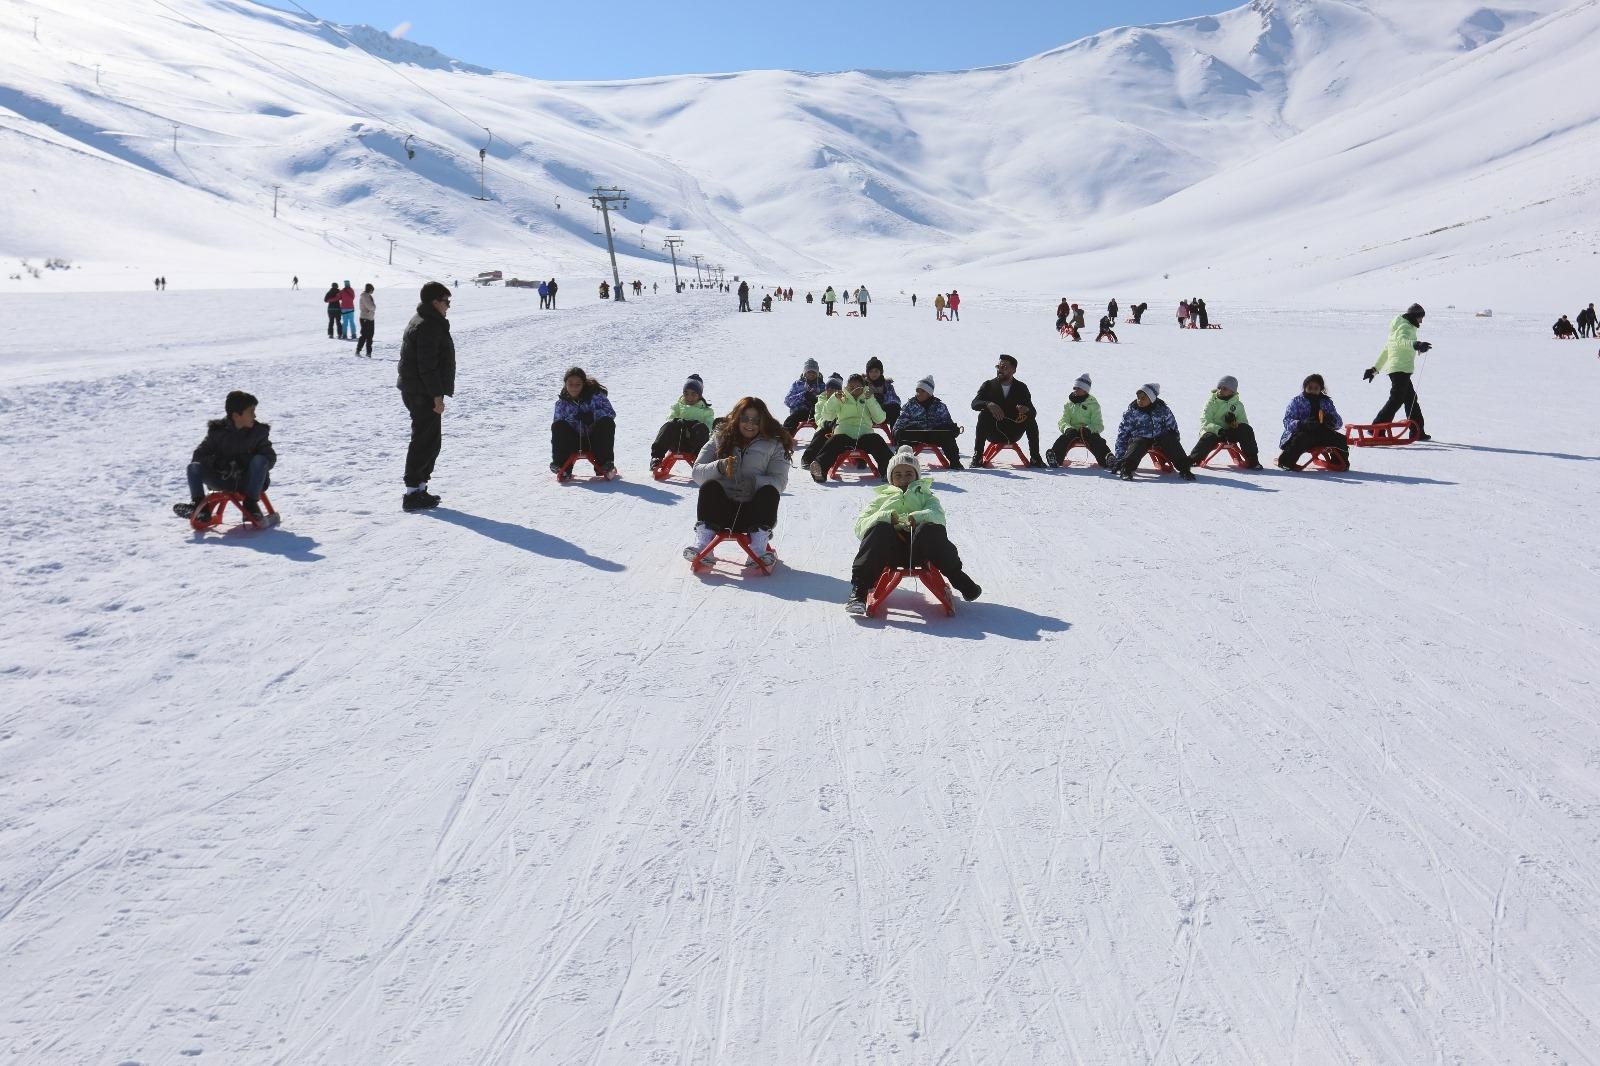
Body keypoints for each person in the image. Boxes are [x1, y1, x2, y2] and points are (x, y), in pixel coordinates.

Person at [844, 446, 981, 614]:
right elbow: (860, 526)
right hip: (890, 551)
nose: (903, 479)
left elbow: (939, 517)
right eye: (898, 474)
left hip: (922, 551)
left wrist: (918, 517)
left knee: (929, 529)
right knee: (879, 528)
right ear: (891, 478)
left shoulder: (926, 496)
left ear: (916, 476)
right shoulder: (880, 500)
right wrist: (886, 516)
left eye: (909, 474)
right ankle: (860, 590)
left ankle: (957, 578)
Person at [687, 397, 791, 568]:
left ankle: (758, 546)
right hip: (720, 511)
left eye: (756, 420)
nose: (750, 424)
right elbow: (697, 473)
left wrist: (754, 482)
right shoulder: (719, 437)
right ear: (737, 418)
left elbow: (780, 481)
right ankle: (704, 542)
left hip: (753, 514)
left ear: (763, 422)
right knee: (709, 487)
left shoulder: (774, 444)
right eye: (745, 419)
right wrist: (719, 466)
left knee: (770, 491)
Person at [173, 390, 279, 526]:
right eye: (251, 412)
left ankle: (250, 504)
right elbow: (199, 455)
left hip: (250, 481)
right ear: (236, 415)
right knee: (193, 467)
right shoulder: (218, 432)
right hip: (223, 479)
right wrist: (217, 463)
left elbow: (270, 457)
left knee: (260, 460)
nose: (255, 415)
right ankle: (199, 507)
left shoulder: (258, 432)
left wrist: (244, 462)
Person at [397, 281, 456, 511]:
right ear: (435, 302)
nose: (448, 306)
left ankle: (420, 488)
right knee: (424, 440)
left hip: (419, 390)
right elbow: (427, 366)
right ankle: (412, 492)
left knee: (430, 440)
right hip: (422, 392)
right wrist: (436, 396)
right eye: (446, 302)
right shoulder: (428, 325)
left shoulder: (426, 320)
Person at [1363, 302, 1431, 441]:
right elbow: (1403, 341)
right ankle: (1376, 428)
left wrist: (1374, 369)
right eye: (1420, 317)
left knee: (1411, 400)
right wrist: (1416, 344)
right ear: (1414, 316)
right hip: (1400, 369)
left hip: (1399, 369)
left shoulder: (1397, 328)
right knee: (1397, 399)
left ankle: (1417, 431)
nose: (1421, 321)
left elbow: (1386, 351)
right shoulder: (1405, 327)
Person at [808, 373, 892, 482]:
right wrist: (834, 399)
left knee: (876, 439)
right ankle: (819, 469)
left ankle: (889, 471)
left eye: (857, 386)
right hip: (844, 435)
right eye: (851, 386)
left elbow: (880, 419)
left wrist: (870, 399)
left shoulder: (869, 396)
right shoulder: (841, 397)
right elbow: (827, 416)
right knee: (833, 441)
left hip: (864, 435)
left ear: (863, 386)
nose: (854, 389)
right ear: (847, 386)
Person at [1110, 383, 1195, 481]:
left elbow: (1173, 428)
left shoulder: (1163, 409)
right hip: (1140, 438)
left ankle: (1185, 469)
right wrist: (1119, 457)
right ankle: (1126, 469)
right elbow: (1123, 434)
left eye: (1143, 398)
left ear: (1151, 398)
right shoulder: (1132, 412)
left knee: (1169, 438)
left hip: (1160, 438)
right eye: (1138, 398)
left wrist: (1173, 445)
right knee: (1138, 443)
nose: (1139, 401)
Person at [970, 354, 1043, 467]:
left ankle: (1035, 457)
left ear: (1013, 370)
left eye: (1004, 367)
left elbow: (1033, 412)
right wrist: (988, 404)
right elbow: (974, 404)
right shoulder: (988, 385)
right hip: (993, 432)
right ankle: (978, 456)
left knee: (1030, 419)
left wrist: (1026, 409)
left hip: (1013, 431)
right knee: (983, 415)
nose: (1000, 370)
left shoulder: (1021, 388)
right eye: (998, 367)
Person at [551, 366, 617, 479]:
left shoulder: (596, 396)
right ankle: (561, 465)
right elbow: (558, 423)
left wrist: (593, 416)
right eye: (570, 384)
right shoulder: (561, 403)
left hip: (595, 440)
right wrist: (573, 419)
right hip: (573, 441)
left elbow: (610, 413)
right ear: (565, 384)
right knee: (558, 426)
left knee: (607, 422)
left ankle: (605, 463)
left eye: (578, 384)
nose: (574, 388)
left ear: (583, 384)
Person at [1187, 375, 1262, 468]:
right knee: (1208, 437)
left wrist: (1233, 424)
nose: (1220, 390)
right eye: (1219, 387)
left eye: (1225, 388)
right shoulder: (1211, 403)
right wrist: (1219, 430)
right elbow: (1205, 421)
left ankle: (1252, 459)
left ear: (1232, 391)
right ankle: (1193, 459)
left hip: (1229, 433)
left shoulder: (1238, 405)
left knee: (1246, 429)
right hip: (1214, 432)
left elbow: (1243, 422)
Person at [1278, 374, 1349, 470]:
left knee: (1340, 439)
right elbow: (1287, 421)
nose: (1312, 390)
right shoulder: (1297, 401)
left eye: (1316, 388)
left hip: (1322, 432)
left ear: (1321, 389)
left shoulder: (1326, 402)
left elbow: (1339, 423)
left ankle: (1338, 462)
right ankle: (1286, 461)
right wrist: (1301, 424)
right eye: (1310, 387)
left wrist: (1330, 419)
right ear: (1305, 387)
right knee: (1301, 439)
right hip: (1302, 432)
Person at [891, 375, 963, 470]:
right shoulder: (909, 406)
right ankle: (902, 463)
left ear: (929, 393)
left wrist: (953, 429)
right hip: (916, 434)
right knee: (904, 436)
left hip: (934, 434)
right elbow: (899, 423)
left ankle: (955, 462)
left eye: (922, 391)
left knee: (946, 435)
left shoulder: (940, 406)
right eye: (917, 391)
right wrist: (897, 431)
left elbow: (947, 423)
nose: (918, 393)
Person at [1045, 373, 1111, 468]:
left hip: (1088, 432)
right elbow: (1063, 420)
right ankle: (1055, 457)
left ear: (1085, 390)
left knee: (1096, 439)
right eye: (1074, 388)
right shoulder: (1069, 404)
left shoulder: (1093, 404)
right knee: (1065, 437)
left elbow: (1098, 425)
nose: (1075, 390)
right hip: (1073, 431)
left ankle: (1107, 458)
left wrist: (1088, 429)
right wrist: (1067, 428)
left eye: (1078, 388)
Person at [652, 375, 714, 465]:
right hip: (676, 442)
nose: (689, 397)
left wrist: (695, 424)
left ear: (699, 395)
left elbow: (709, 427)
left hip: (694, 445)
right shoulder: (677, 406)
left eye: (693, 394)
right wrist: (677, 421)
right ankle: (656, 457)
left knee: (701, 428)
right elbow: (670, 418)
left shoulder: (707, 411)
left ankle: (700, 460)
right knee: (668, 425)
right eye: (686, 393)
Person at [798, 373, 847, 469]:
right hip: (825, 426)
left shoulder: (844, 400)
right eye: (829, 389)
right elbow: (818, 418)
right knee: (820, 434)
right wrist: (825, 422)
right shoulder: (820, 402)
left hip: (840, 427)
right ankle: (807, 458)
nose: (831, 391)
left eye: (834, 389)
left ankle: (858, 459)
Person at [782, 358, 828, 432]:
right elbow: (787, 401)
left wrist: (816, 400)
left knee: (825, 422)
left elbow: (828, 401)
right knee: (791, 419)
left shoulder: (822, 386)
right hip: (799, 412)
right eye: (809, 372)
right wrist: (803, 396)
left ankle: (825, 437)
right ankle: (785, 436)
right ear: (805, 373)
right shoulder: (797, 384)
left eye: (814, 372)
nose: (811, 374)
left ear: (817, 373)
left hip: (816, 413)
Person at [864, 357, 900, 425]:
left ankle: (895, 432)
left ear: (881, 372)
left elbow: (895, 400)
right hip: (867, 414)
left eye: (876, 371)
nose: (873, 373)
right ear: (867, 373)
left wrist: (882, 399)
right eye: (871, 371)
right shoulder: (863, 384)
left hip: (882, 414)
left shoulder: (887, 385)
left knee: (895, 407)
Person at [356, 283, 376, 358]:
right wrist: (374, 307)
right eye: (372, 290)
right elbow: (371, 307)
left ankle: (368, 353)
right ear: (370, 289)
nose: (372, 291)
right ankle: (358, 351)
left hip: (369, 318)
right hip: (365, 318)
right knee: (364, 335)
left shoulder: (368, 296)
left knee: (370, 336)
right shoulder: (365, 296)